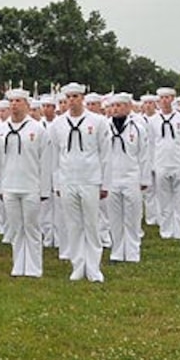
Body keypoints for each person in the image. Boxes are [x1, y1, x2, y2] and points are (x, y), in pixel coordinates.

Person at [49, 83, 110, 282]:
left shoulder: (98, 121)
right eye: (69, 97)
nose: (72, 100)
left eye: (75, 96)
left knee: (91, 224)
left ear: (82, 98)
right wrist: (57, 183)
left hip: (90, 179)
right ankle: (78, 264)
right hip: (68, 179)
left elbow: (105, 154)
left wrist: (105, 183)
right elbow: (55, 156)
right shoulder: (58, 124)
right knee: (73, 225)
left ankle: (93, 266)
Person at [0, 89, 50, 277]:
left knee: (32, 227)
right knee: (16, 228)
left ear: (27, 105)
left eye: (18, 101)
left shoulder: (38, 129)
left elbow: (45, 161)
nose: (14, 105)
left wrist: (44, 189)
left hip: (31, 185)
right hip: (10, 185)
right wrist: (0, 186)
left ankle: (34, 267)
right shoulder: (1, 130)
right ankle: (19, 264)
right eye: (11, 101)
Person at [102, 93, 150, 262]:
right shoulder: (104, 127)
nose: (116, 109)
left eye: (120, 106)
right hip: (111, 177)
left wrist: (144, 179)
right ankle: (117, 251)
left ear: (128, 107)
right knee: (114, 218)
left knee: (133, 216)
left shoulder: (137, 128)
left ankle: (132, 252)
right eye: (113, 106)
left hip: (131, 176)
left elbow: (144, 155)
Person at [150, 87, 180, 240]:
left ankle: (178, 230)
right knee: (164, 199)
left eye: (168, 98)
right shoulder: (153, 121)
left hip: (178, 162)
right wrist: (152, 165)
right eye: (162, 98)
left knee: (179, 199)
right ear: (158, 101)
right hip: (161, 163)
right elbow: (151, 144)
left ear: (173, 99)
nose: (165, 101)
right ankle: (166, 230)